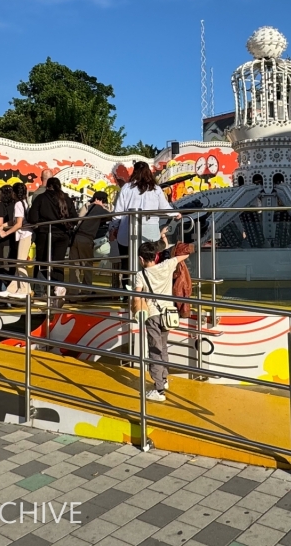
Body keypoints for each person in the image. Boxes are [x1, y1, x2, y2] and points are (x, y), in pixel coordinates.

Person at [132, 236, 190, 403]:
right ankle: (164, 380)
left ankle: (159, 390)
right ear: (156, 256)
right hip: (168, 314)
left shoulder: (140, 275)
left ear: (141, 259)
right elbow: (186, 254)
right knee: (163, 348)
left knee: (154, 351)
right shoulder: (167, 265)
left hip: (152, 315)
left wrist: (136, 311)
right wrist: (173, 250)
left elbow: (136, 297)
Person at [110, 161, 177, 273]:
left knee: (127, 266)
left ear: (134, 172)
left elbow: (118, 212)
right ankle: (147, 283)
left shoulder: (126, 188)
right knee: (150, 267)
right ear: (148, 172)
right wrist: (176, 213)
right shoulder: (155, 189)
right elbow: (165, 207)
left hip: (127, 233)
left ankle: (129, 282)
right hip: (150, 234)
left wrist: (114, 228)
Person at [30, 178, 77, 302]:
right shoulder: (66, 199)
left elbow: (33, 217)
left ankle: (40, 292)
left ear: (47, 186)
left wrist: (41, 223)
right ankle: (58, 288)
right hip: (63, 235)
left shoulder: (41, 198)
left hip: (45, 233)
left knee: (42, 262)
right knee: (58, 263)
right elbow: (75, 218)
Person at [71, 191, 112, 288]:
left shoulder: (86, 206)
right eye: (103, 202)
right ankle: (87, 289)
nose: (104, 204)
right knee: (87, 265)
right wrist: (104, 207)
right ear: (98, 200)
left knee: (74, 265)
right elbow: (111, 216)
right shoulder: (98, 208)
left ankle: (73, 290)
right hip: (86, 238)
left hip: (76, 237)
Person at [1, 182, 33, 299]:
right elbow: (15, 221)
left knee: (20, 263)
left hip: (24, 235)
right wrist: (3, 225)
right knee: (19, 263)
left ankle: (25, 289)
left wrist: (6, 232)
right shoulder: (24, 202)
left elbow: (18, 224)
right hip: (26, 234)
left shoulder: (18, 204)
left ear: (14, 193)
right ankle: (12, 289)